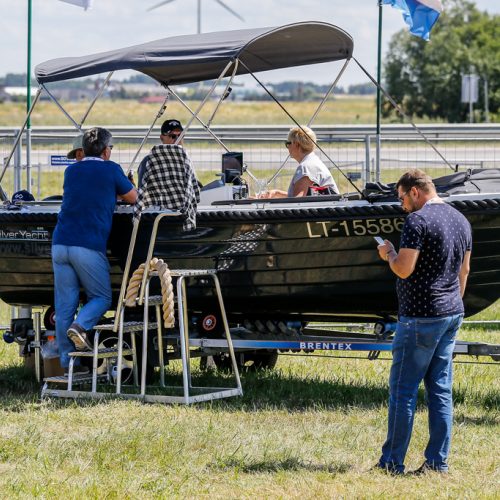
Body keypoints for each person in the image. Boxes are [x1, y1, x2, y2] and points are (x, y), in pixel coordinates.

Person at [375, 169, 472, 475]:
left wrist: (389, 253)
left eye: (402, 197)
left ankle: (392, 462)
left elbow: (404, 269)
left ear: (415, 192)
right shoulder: (461, 219)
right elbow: (465, 271)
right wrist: (452, 302)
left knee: (403, 391)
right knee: (440, 390)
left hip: (420, 316)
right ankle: (437, 462)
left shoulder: (417, 221)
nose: (402, 205)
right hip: (451, 312)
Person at [52, 127, 137, 376]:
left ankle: (69, 366)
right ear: (107, 151)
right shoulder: (110, 169)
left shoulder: (71, 170)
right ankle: (81, 326)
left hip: (60, 244)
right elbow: (133, 197)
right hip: (87, 245)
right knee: (101, 297)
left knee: (65, 304)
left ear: (82, 150)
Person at [258, 126, 339, 198]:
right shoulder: (312, 161)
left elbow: (297, 202)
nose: (287, 147)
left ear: (296, 144)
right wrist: (277, 193)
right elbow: (305, 196)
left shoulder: (306, 167)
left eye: (288, 143)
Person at [137, 119, 185, 185]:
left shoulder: (185, 160)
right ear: (162, 138)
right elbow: (141, 188)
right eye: (172, 136)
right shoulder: (148, 161)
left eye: (180, 136)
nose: (177, 139)